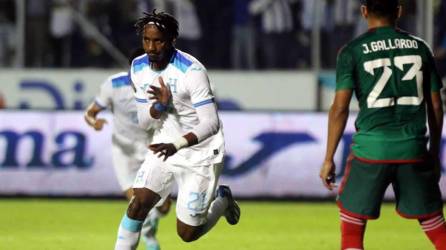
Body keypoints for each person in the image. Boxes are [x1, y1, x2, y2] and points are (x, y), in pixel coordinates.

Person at [320, 0, 446, 249]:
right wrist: (432, 153)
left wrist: (328, 157)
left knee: (352, 226)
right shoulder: (421, 48)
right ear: (398, 11)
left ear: (364, 11)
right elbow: (436, 105)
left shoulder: (352, 51)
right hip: (413, 149)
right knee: (435, 225)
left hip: (371, 151)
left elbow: (340, 108)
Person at [113, 10, 240, 249]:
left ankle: (221, 201)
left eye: (158, 40)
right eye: (146, 40)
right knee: (137, 203)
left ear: (172, 40)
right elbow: (144, 121)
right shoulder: (139, 67)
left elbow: (211, 124)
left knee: (188, 233)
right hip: (164, 145)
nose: (151, 47)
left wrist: (177, 145)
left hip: (200, 153)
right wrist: (159, 106)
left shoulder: (192, 72)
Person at [84, 48, 171, 250]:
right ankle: (148, 238)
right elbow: (90, 112)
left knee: (164, 207)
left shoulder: (160, 88)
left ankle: (149, 231)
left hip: (153, 148)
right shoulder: (113, 85)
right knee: (137, 202)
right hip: (124, 151)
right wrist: (93, 121)